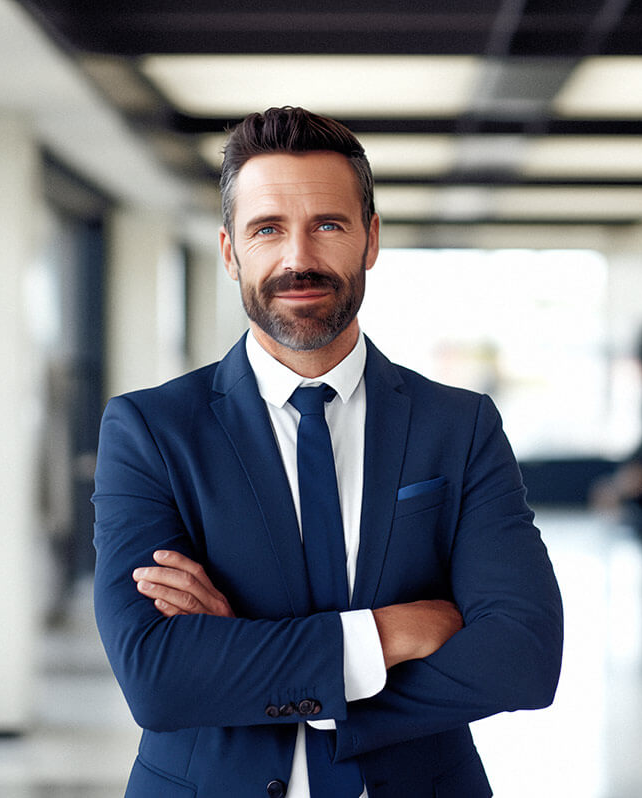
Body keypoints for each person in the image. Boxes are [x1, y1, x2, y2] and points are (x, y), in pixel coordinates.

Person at [92, 106, 564, 798]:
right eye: (267, 230)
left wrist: (258, 666)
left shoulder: (459, 427)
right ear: (230, 251)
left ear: (370, 239)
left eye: (328, 225)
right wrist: (381, 637)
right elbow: (157, 678)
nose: (298, 259)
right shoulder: (150, 432)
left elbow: (523, 655)